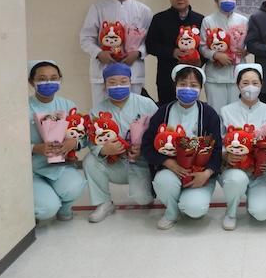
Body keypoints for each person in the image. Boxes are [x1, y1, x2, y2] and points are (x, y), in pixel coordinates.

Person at [141, 65, 222, 230]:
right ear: (175, 85)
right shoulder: (163, 112)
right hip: (171, 170)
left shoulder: (209, 114)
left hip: (200, 173)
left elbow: (217, 150)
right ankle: (172, 212)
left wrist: (206, 173)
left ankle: (187, 201)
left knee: (195, 209)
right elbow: (147, 145)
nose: (187, 89)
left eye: (193, 85)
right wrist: (166, 162)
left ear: (201, 88)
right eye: (183, 84)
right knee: (163, 181)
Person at [84, 63, 158, 223]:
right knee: (90, 161)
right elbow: (91, 140)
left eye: (123, 81)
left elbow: (160, 133)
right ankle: (104, 203)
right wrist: (104, 150)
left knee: (143, 200)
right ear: (104, 85)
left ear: (130, 82)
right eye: (112, 82)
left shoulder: (146, 104)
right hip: (114, 163)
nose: (118, 86)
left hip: (141, 162)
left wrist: (144, 149)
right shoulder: (97, 111)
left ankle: (148, 192)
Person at [79, 0, 152, 109]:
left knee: (133, 111)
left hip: (133, 69)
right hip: (103, 69)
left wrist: (138, 53)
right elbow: (86, 38)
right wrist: (99, 53)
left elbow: (151, 40)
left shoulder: (144, 10)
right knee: (101, 112)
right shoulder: (98, 8)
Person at [27, 60, 87, 222]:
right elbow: (8, 143)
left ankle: (65, 207)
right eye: (42, 79)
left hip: (60, 166)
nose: (48, 82)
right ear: (31, 82)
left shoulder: (67, 105)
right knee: (47, 208)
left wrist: (73, 143)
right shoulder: (23, 108)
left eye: (54, 78)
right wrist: (35, 148)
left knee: (75, 186)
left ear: (60, 79)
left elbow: (83, 134)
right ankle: (40, 207)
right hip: (32, 169)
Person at [219, 63, 266, 230]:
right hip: (234, 169)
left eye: (255, 83)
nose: (250, 87)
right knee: (236, 179)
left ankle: (254, 199)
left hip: (261, 173)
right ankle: (231, 212)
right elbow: (219, 141)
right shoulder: (226, 111)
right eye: (245, 83)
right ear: (238, 85)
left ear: (261, 85)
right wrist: (225, 155)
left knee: (262, 213)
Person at [146, 0, 205, 104]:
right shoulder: (159, 19)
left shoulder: (200, 19)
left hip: (192, 77)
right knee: (166, 108)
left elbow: (206, 46)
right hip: (166, 76)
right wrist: (172, 52)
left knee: (190, 108)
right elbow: (150, 45)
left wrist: (200, 61)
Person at [199, 0, 249, 111]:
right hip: (215, 76)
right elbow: (202, 46)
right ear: (216, 0)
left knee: (236, 111)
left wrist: (245, 51)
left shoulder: (243, 20)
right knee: (216, 111)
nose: (228, 0)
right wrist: (215, 55)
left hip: (237, 74)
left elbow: (250, 42)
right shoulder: (208, 21)